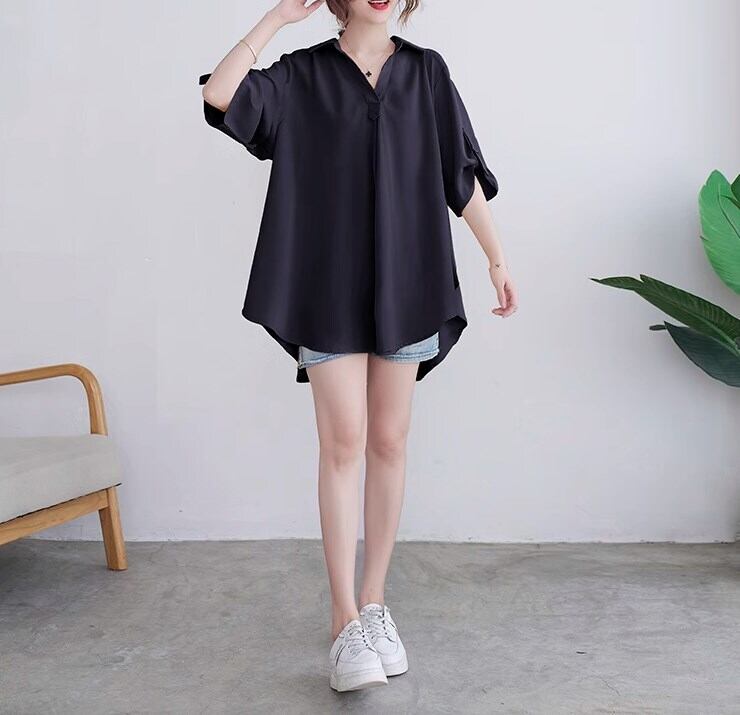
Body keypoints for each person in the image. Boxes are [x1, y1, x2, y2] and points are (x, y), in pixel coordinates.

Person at [200, 0, 518, 693]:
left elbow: (459, 173)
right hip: (325, 287)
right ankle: (343, 618)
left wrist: (494, 256)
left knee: (390, 442)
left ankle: (374, 604)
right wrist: (277, 18)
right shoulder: (301, 76)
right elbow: (221, 96)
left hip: (409, 281)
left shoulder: (427, 73)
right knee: (343, 441)